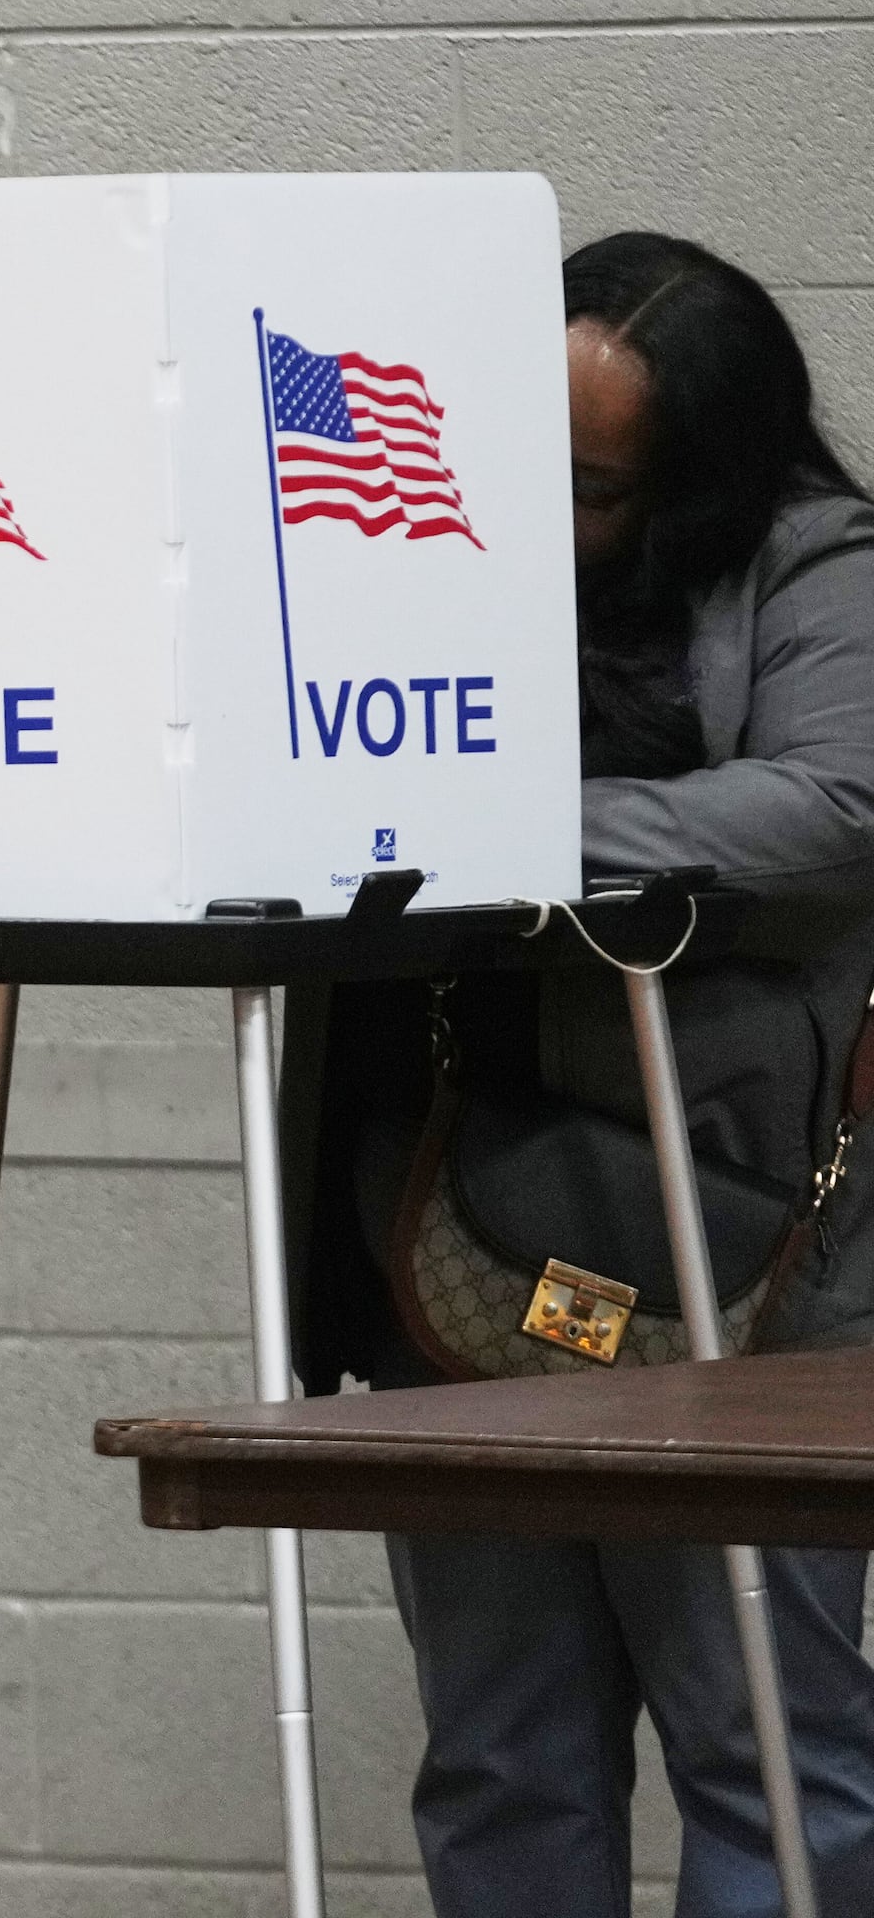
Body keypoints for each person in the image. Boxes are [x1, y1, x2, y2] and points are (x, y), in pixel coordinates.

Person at [294, 232, 874, 1915]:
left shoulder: (810, 565)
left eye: (594, 493)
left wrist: (512, 833)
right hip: (448, 1223)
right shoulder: (407, 545)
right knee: (500, 1750)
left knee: (770, 1742)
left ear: (697, 485)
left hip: (732, 1224)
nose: (542, 528)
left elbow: (842, 808)